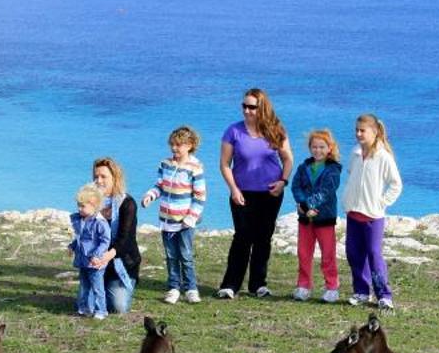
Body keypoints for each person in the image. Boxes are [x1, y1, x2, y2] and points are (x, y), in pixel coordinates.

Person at [217, 87, 294, 299]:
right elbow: (224, 164)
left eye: (252, 106)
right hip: (242, 193)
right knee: (242, 237)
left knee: (263, 238)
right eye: (244, 106)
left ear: (262, 107)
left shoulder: (276, 129)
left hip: (270, 194)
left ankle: (258, 284)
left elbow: (288, 158)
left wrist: (283, 182)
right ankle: (230, 284)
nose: (247, 110)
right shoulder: (233, 131)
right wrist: (233, 188)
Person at [140, 126, 208, 304]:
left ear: (190, 145)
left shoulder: (195, 168)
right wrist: (150, 196)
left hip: (185, 222)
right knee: (171, 255)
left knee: (185, 255)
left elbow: (200, 196)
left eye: (179, 145)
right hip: (166, 220)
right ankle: (174, 287)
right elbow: (159, 186)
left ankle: (191, 288)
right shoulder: (165, 164)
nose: (174, 148)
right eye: (173, 145)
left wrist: (191, 217)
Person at [342, 113, 403, 309]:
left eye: (363, 131)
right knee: (353, 253)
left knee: (374, 254)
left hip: (373, 216)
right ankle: (361, 291)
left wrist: (382, 202)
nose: (358, 134)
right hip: (353, 213)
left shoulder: (383, 156)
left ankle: (384, 295)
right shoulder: (355, 153)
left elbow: (396, 184)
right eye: (356, 130)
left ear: (374, 132)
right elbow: (352, 175)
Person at [289, 127, 343, 302]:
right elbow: (296, 186)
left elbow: (326, 191)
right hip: (305, 219)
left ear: (329, 148)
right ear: (310, 148)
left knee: (328, 254)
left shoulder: (333, 169)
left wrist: (309, 205)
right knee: (304, 253)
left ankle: (332, 287)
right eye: (314, 147)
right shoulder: (303, 167)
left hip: (324, 218)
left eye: (322, 147)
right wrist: (304, 207)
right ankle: (303, 286)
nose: (318, 150)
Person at [90, 156, 139, 315]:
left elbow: (125, 241)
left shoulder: (127, 203)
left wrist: (105, 257)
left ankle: (125, 284)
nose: (99, 180)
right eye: (96, 176)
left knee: (118, 308)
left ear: (115, 178)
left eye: (103, 176)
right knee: (88, 306)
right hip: (97, 263)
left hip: (121, 264)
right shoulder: (91, 202)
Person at [68, 183, 112, 318]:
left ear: (94, 205)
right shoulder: (82, 221)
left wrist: (97, 255)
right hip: (83, 260)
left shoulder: (100, 222)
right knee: (84, 285)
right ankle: (84, 307)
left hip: (95, 262)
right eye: (79, 205)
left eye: (83, 206)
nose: (79, 209)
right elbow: (81, 239)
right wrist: (72, 246)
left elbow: (105, 241)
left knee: (97, 288)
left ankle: (101, 310)